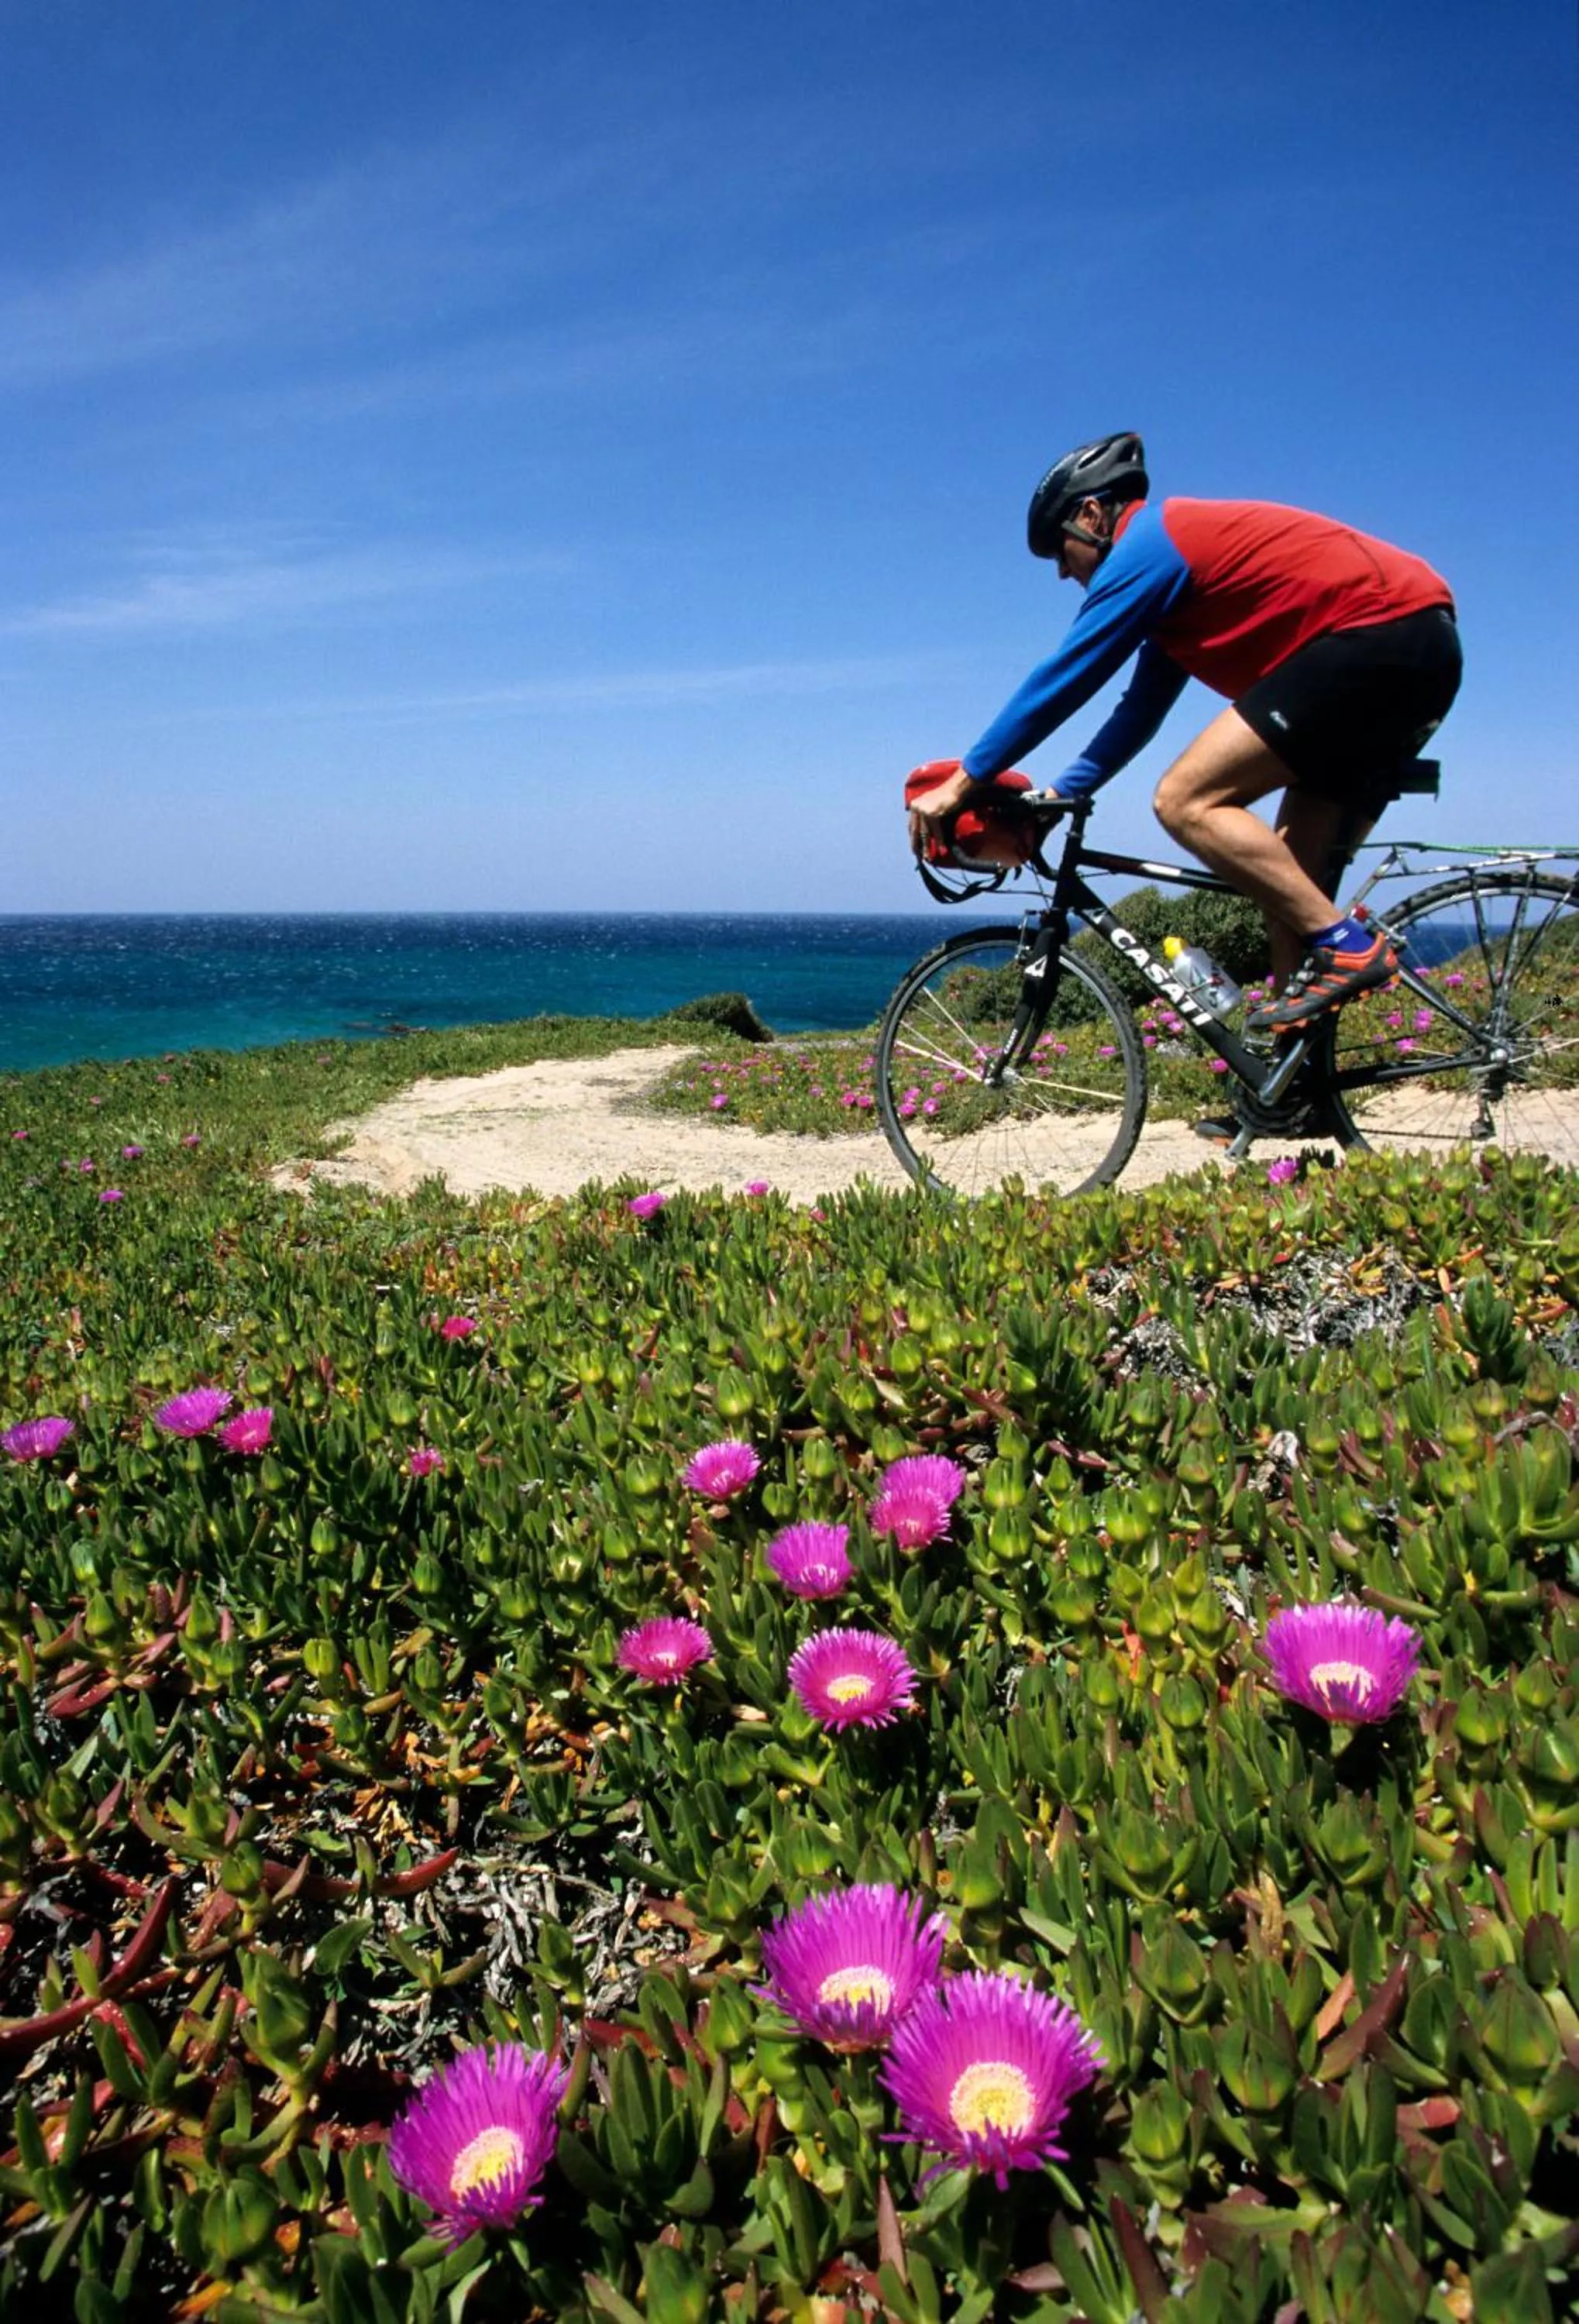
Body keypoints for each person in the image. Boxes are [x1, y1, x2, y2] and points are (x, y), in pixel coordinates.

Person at [907, 433, 1462, 1043]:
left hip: (1377, 635)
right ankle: (1296, 1080)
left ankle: (1346, 946)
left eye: (1059, 553)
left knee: (1184, 800)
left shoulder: (1149, 547)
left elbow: (1067, 676)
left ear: (1091, 515)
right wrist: (1060, 797)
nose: (1063, 572)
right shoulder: (1174, 588)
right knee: (1289, 887)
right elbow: (1137, 713)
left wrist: (965, 782)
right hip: (1421, 650)